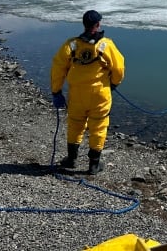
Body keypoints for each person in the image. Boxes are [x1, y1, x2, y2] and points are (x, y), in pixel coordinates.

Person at [50, 10, 125, 175]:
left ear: (83, 24)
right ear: (98, 24)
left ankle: (71, 159)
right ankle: (93, 165)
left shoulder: (71, 45)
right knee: (98, 127)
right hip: (100, 94)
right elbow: (118, 68)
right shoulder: (106, 45)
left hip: (77, 93)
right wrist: (114, 83)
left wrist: (56, 91)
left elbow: (58, 68)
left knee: (75, 125)